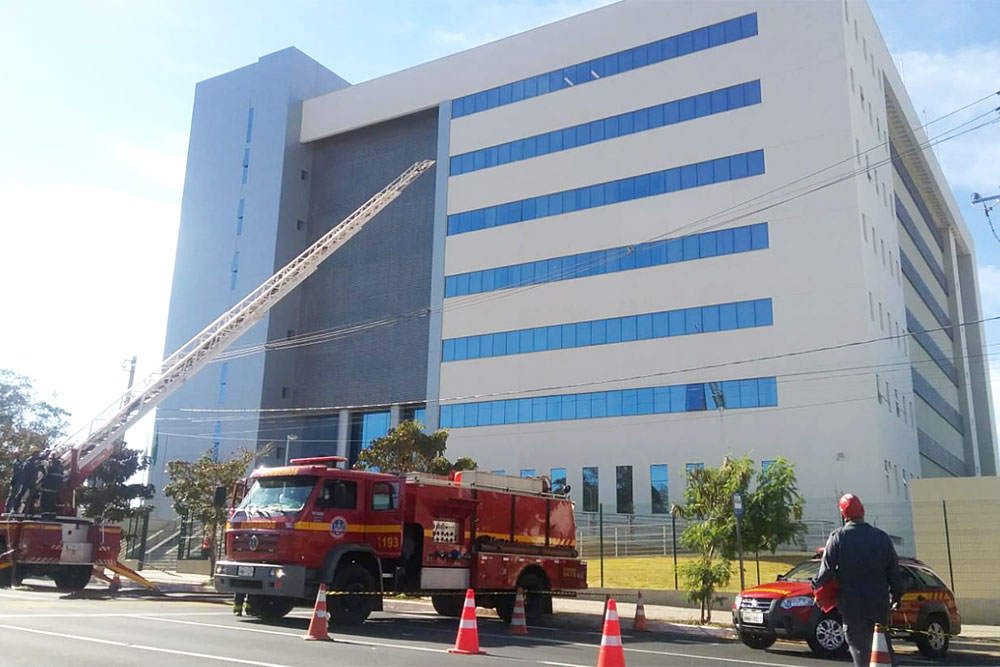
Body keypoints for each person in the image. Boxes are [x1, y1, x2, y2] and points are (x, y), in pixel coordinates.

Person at [812, 493, 904, 667]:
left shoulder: (838, 537)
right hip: (879, 603)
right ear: (863, 510)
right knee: (882, 646)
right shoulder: (881, 537)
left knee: (860, 649)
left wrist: (816, 585)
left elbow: (827, 570)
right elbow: (893, 569)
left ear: (843, 514)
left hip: (852, 605)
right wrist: (897, 595)